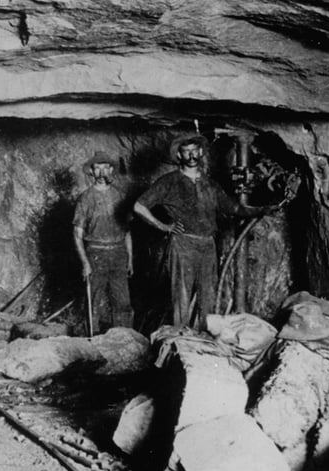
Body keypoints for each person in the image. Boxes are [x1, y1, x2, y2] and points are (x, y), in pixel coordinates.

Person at [132, 135, 278, 330]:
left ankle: (204, 339)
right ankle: (180, 339)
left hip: (207, 244)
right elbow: (139, 206)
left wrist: (261, 209)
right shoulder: (170, 181)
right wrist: (163, 226)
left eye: (195, 150)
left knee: (208, 296)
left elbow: (234, 208)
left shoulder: (210, 184)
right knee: (182, 297)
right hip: (184, 244)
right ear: (179, 154)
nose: (191, 155)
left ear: (200, 152)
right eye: (186, 151)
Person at [73, 151, 133, 334]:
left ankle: (125, 340)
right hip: (96, 253)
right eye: (97, 167)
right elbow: (77, 234)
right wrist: (85, 263)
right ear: (91, 171)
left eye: (105, 167)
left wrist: (130, 259)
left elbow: (127, 231)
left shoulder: (120, 196)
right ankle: (94, 342)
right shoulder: (86, 198)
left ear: (111, 169)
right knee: (95, 302)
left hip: (118, 252)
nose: (101, 171)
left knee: (122, 302)